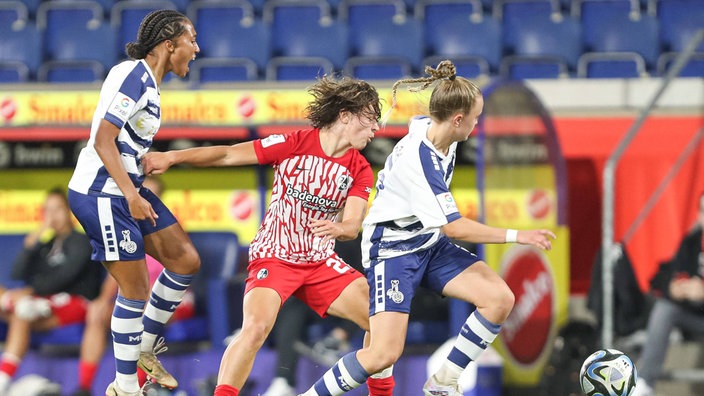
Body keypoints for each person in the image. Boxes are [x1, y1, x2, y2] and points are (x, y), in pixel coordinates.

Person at [298, 60, 556, 396]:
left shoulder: (439, 131)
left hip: (427, 241)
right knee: (382, 353)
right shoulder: (420, 161)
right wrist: (517, 235)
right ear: (458, 120)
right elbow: (454, 228)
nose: (477, 124)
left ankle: (442, 382)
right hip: (392, 249)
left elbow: (424, 122)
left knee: (499, 299)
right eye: (475, 118)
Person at [142, 75, 395, 396]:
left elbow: (352, 225)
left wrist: (341, 228)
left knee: (382, 322)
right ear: (346, 114)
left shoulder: (359, 168)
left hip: (319, 262)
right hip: (274, 257)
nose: (376, 129)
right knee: (256, 328)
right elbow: (227, 155)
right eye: (371, 119)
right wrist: (172, 157)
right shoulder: (294, 144)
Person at [67, 9, 201, 396]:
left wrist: (142, 163)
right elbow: (102, 140)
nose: (196, 49)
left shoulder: (150, 84)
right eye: (191, 40)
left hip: (125, 187)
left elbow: (120, 140)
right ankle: (124, 388)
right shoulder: (134, 75)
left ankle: (143, 347)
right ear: (168, 43)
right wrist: (130, 193)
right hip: (102, 194)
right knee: (135, 290)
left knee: (185, 260)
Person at [71, 177, 196, 396]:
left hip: (171, 295)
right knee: (97, 315)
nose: (143, 200)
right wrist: (102, 300)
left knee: (140, 309)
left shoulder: (167, 227)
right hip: (140, 294)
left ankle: (135, 387)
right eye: (140, 194)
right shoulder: (125, 224)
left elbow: (175, 272)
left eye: (150, 195)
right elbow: (122, 274)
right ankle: (84, 387)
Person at [0, 187, 103, 394]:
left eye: (57, 209)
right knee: (20, 308)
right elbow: (18, 273)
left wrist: (29, 292)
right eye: (47, 210)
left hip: (75, 302)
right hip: (42, 303)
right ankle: (11, 303)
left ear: (69, 212)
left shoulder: (81, 241)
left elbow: (65, 277)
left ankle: (2, 383)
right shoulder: (46, 245)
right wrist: (32, 242)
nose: (52, 216)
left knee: (22, 310)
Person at [632, 193, 704, 396]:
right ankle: (645, 383)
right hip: (694, 317)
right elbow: (663, 276)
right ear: (699, 216)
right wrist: (674, 288)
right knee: (665, 309)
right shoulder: (691, 243)